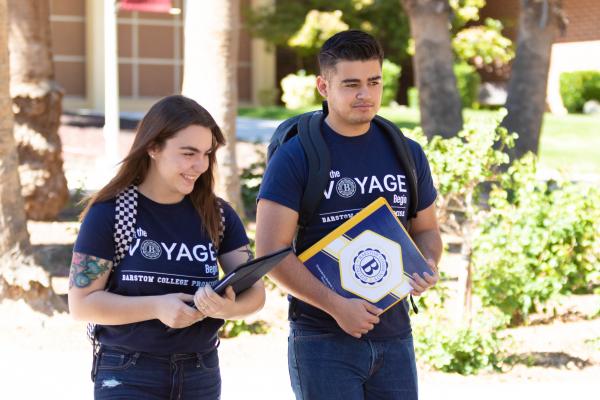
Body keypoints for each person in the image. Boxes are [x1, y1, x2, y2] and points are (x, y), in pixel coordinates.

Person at [255, 30, 442, 400]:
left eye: (374, 82)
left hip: (395, 337)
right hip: (321, 340)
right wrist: (337, 307)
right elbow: (270, 253)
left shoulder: (407, 152)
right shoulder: (296, 156)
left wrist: (429, 265)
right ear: (324, 86)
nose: (365, 94)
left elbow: (428, 230)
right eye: (351, 84)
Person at [68, 94, 265, 399]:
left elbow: (255, 292)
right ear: (153, 147)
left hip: (201, 372)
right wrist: (157, 307)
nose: (200, 165)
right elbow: (81, 304)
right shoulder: (110, 213)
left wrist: (230, 308)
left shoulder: (220, 215)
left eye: (206, 153)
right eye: (188, 153)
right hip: (127, 371)